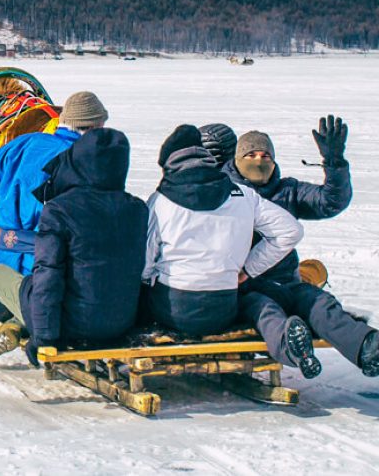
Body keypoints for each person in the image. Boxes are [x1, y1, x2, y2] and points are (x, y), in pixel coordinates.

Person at [0, 128, 147, 366]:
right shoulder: (138, 208)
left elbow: (48, 275)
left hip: (68, 320)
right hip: (122, 321)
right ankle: (18, 323)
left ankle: (19, 325)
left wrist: (44, 337)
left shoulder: (60, 208)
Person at [143, 126, 319, 377]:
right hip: (223, 308)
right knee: (255, 299)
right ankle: (284, 338)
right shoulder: (242, 193)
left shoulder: (161, 200)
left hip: (175, 309)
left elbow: (146, 262)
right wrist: (249, 268)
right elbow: (290, 231)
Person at [226, 120, 378, 378]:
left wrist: (335, 163)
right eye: (251, 155)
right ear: (238, 159)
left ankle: (367, 347)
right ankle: (294, 346)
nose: (259, 160)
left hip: (285, 281)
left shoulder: (288, 190)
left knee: (319, 302)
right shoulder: (224, 192)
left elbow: (331, 202)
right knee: (264, 310)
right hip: (244, 286)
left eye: (265, 156)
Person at [0, 90, 109, 317]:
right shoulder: (97, 163)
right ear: (97, 126)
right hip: (66, 273)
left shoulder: (26, 144)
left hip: (6, 263)